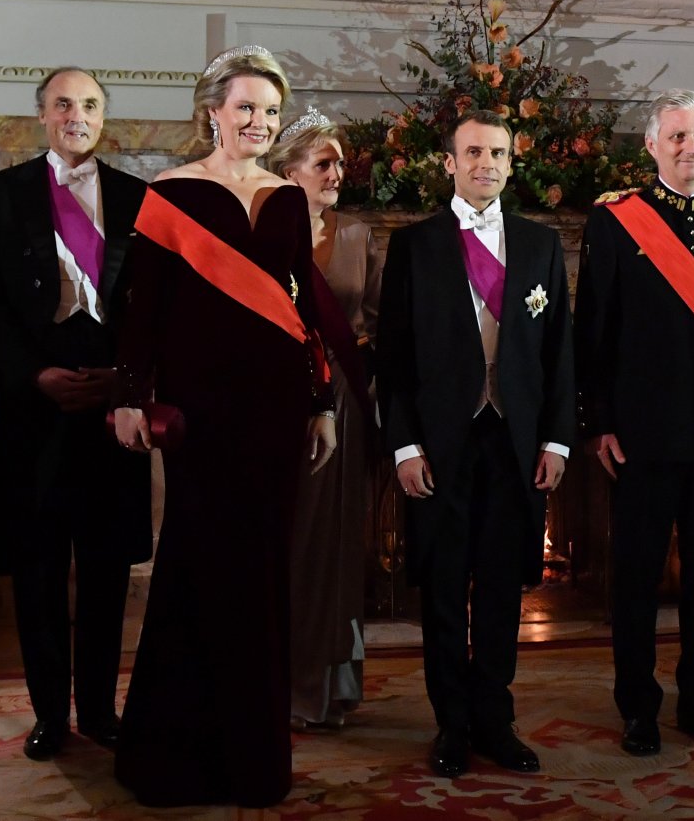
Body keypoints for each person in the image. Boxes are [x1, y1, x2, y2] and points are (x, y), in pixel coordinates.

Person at [110, 45, 336, 808]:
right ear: (212, 111)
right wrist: (130, 396)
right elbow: (142, 313)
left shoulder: (286, 200)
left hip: (274, 412)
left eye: (271, 112)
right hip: (202, 415)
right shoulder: (168, 196)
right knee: (198, 566)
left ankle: (253, 759)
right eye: (246, 108)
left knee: (264, 574)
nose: (259, 123)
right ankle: (173, 757)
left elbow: (303, 311)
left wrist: (323, 402)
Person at [376, 110, 575, 778]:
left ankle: (496, 716)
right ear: (450, 163)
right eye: (472, 152)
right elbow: (394, 359)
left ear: (512, 163)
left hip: (515, 445)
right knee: (441, 587)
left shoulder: (541, 244)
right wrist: (405, 447)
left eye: (497, 152)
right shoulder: (416, 245)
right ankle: (451, 723)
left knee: (500, 589)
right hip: (440, 445)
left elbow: (558, 353)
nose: (485, 162)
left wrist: (556, 439)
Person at [0, 66, 152, 762]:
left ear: (104, 117)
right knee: (40, 568)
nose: (77, 114)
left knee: (105, 567)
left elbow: (149, 307)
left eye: (91, 105)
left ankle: (101, 709)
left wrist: (127, 380)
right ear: (42, 114)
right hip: (33, 405)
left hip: (111, 405)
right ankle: (50, 713)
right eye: (64, 103)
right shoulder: (0, 195)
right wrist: (34, 372)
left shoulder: (138, 197)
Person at [573, 89, 694, 755]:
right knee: (635, 579)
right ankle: (639, 706)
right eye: (678, 137)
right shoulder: (617, 221)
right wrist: (599, 421)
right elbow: (592, 331)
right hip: (643, 433)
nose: (691, 149)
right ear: (652, 145)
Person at [269, 107, 383, 729]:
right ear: (289, 174)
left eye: (340, 162)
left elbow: (375, 319)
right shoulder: (261, 230)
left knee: (336, 543)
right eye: (324, 163)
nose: (337, 172)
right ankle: (280, 683)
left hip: (341, 399)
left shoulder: (357, 235)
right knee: (288, 540)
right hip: (280, 401)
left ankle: (329, 686)